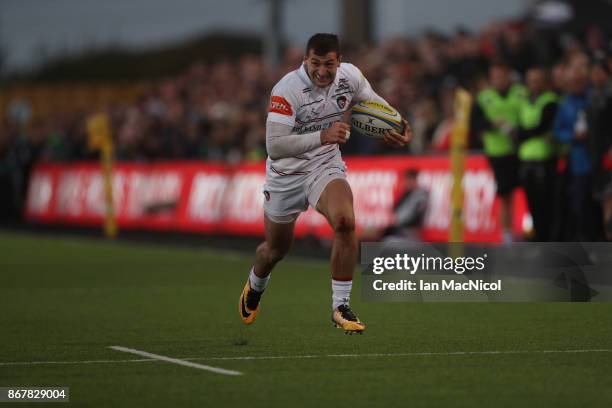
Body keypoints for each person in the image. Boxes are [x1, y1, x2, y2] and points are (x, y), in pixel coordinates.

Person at [238, 33, 412, 334]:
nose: (322, 71)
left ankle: (340, 306)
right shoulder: (287, 89)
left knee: (345, 222)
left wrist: (399, 125)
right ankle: (256, 283)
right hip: (285, 175)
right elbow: (274, 146)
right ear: (305, 61)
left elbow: (373, 104)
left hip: (324, 165)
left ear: (339, 62)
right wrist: (322, 135)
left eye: (328, 64)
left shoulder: (351, 77)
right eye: (315, 63)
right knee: (275, 250)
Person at [470, 61, 527, 242]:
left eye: (501, 76)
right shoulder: (484, 98)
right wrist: (491, 125)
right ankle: (508, 234)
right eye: (494, 77)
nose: (498, 80)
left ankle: (530, 229)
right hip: (498, 152)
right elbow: (474, 123)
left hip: (522, 150)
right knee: (505, 194)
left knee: (528, 190)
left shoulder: (520, 93)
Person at [516, 66, 559, 241]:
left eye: (537, 80)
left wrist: (526, 133)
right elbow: (522, 129)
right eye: (531, 80)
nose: (534, 84)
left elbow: (543, 126)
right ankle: (538, 239)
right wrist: (527, 133)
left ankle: (548, 239)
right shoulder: (525, 103)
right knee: (532, 204)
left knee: (547, 204)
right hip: (527, 160)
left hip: (544, 160)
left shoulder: (550, 100)